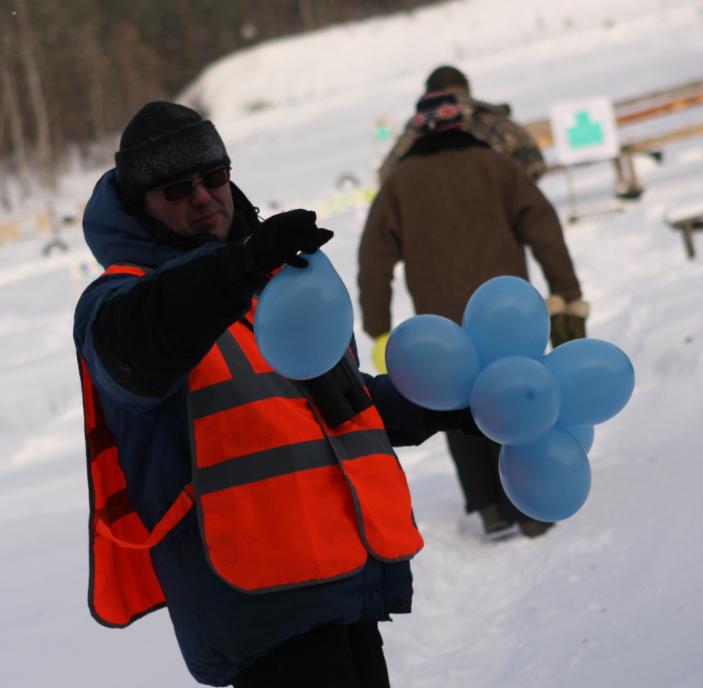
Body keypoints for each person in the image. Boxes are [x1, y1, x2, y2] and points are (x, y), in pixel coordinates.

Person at [73, 101, 480, 688]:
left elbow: (334, 405)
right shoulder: (115, 304)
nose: (203, 197)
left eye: (214, 176)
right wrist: (236, 267)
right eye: (177, 189)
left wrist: (441, 404)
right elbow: (144, 342)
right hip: (254, 604)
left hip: (339, 578)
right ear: (142, 205)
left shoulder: (274, 283)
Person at [358, 90, 589, 540]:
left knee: (453, 407)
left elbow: (374, 258)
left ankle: (488, 506)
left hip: (444, 326)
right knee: (518, 398)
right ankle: (531, 504)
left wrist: (378, 325)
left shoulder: (399, 184)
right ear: (460, 121)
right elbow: (544, 228)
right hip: (509, 317)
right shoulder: (497, 167)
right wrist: (566, 291)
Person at [378, 65, 546, 185]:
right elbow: (534, 164)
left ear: (429, 94)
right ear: (466, 88)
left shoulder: (418, 129)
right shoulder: (493, 120)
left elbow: (387, 176)